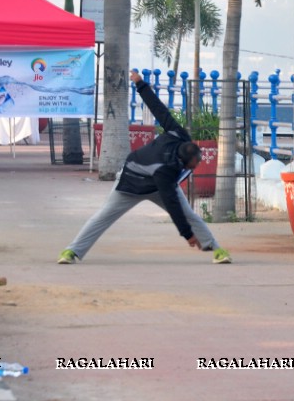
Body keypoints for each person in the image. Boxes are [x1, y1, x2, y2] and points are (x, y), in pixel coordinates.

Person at [57, 70, 232, 265]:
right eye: (196, 161)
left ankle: (217, 250)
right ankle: (71, 251)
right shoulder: (165, 169)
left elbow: (159, 110)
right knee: (103, 217)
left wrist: (140, 85)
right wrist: (187, 234)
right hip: (131, 184)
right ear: (184, 160)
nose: (198, 163)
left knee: (190, 214)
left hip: (158, 184)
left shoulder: (179, 134)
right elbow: (172, 203)